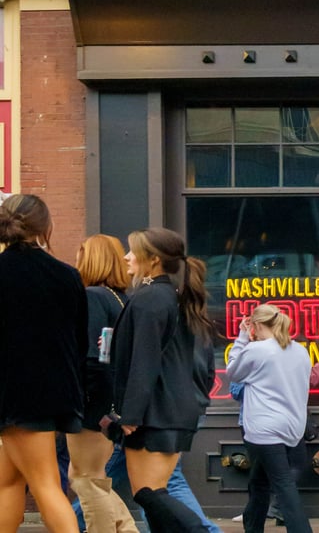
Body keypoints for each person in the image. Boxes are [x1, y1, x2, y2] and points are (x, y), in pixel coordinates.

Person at [110, 227, 213, 532]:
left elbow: (143, 360)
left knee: (148, 493)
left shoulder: (151, 298)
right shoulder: (170, 297)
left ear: (153, 260)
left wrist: (130, 413)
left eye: (133, 250)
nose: (127, 257)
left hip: (156, 413)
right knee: (154, 495)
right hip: (170, 410)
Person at [0, 194, 88, 533]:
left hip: (15, 393)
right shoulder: (67, 275)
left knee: (45, 483)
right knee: (9, 481)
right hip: (56, 391)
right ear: (45, 226)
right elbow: (78, 341)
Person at [70, 234, 139, 533]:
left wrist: (86, 405)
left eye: (81, 255)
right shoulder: (121, 299)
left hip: (93, 403)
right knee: (88, 475)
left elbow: (94, 357)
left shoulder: (94, 297)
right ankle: (126, 529)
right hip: (111, 400)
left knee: (86, 478)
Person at [225, 304, 314, 532]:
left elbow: (233, 372)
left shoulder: (258, 350)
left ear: (255, 325)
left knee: (282, 485)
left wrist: (242, 338)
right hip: (293, 426)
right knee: (259, 481)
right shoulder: (300, 351)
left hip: (264, 428)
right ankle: (252, 527)